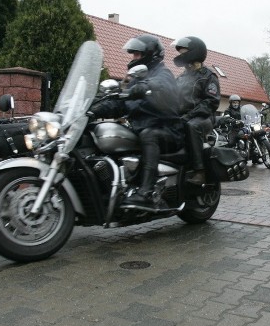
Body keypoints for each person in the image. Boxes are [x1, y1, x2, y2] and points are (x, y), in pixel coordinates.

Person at [90, 34, 182, 210]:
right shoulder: (135, 79)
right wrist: (93, 109)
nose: (133, 58)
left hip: (168, 130)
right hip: (140, 129)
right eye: (133, 55)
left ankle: (146, 192)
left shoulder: (163, 73)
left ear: (150, 55)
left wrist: (144, 87)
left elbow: (161, 85)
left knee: (149, 135)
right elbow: (119, 104)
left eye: (137, 55)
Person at [172, 36, 220, 186]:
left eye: (183, 52)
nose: (180, 55)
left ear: (195, 52)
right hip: (184, 116)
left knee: (192, 126)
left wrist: (189, 116)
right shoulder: (181, 78)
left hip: (203, 117)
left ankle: (200, 172)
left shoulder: (208, 76)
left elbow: (211, 102)